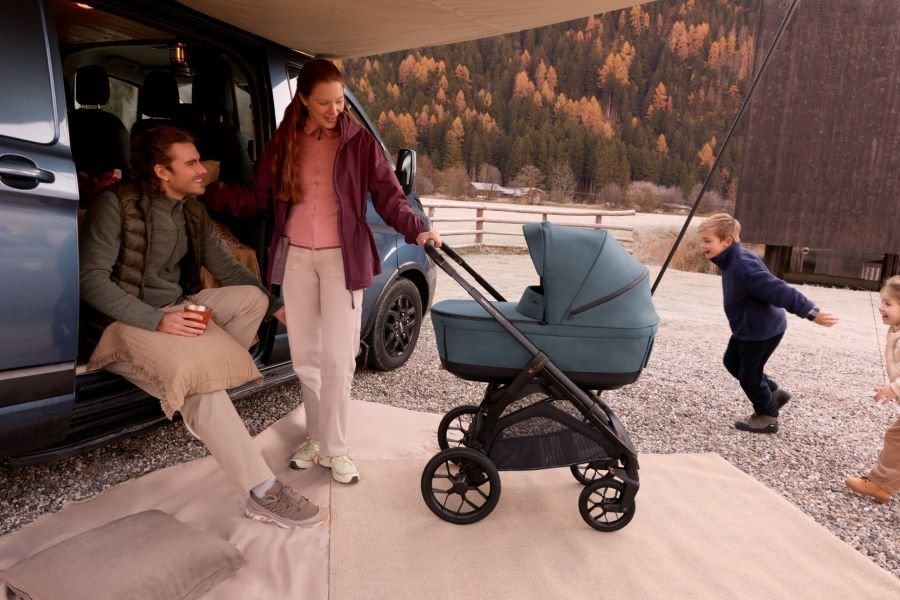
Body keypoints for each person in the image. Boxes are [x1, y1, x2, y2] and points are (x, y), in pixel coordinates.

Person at [203, 59, 441, 485]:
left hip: (341, 261)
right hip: (296, 259)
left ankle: (337, 448)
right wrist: (205, 190)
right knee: (306, 358)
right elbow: (256, 197)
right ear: (304, 101)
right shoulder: (285, 142)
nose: (334, 110)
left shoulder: (360, 143)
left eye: (338, 101)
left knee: (339, 357)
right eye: (324, 103)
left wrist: (417, 228)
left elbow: (390, 198)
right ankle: (316, 439)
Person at [79, 124, 327, 528]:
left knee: (252, 300)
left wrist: (278, 308)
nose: (203, 170)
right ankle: (262, 491)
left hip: (174, 310)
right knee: (203, 390)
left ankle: (205, 382)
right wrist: (156, 319)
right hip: (122, 323)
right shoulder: (114, 205)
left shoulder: (191, 209)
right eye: (192, 163)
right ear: (162, 172)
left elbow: (227, 267)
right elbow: (90, 281)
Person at [698, 213, 838, 433]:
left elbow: (779, 290)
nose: (702, 246)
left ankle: (768, 416)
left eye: (708, 241)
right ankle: (773, 393)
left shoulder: (742, 266)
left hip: (761, 332)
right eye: (702, 240)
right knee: (732, 361)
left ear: (727, 241)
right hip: (748, 328)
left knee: (749, 377)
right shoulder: (733, 259)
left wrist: (812, 312)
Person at [845, 276, 900, 504]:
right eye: (881, 302)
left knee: (896, 439)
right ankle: (884, 486)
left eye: (888, 303)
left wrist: (894, 388)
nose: (881, 308)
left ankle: (881, 484)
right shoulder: (896, 331)